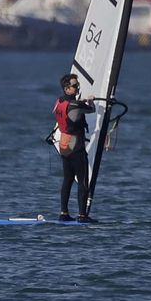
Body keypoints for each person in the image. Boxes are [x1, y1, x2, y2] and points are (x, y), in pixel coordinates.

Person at [52, 73, 96, 223]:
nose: (78, 88)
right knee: (83, 180)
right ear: (67, 88)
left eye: (78, 85)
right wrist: (90, 100)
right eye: (75, 86)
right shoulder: (76, 105)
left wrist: (80, 101)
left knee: (68, 179)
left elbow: (69, 109)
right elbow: (91, 109)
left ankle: (63, 213)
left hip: (63, 143)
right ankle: (83, 215)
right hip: (75, 145)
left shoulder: (59, 101)